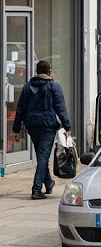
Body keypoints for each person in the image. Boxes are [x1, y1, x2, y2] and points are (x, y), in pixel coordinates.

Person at [12, 61, 72, 200]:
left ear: (37, 71)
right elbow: (60, 107)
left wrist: (16, 128)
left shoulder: (28, 86)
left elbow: (20, 108)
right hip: (47, 126)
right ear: (49, 71)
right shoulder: (53, 86)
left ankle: (49, 183)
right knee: (43, 157)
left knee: (41, 157)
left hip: (32, 126)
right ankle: (36, 189)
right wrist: (67, 126)